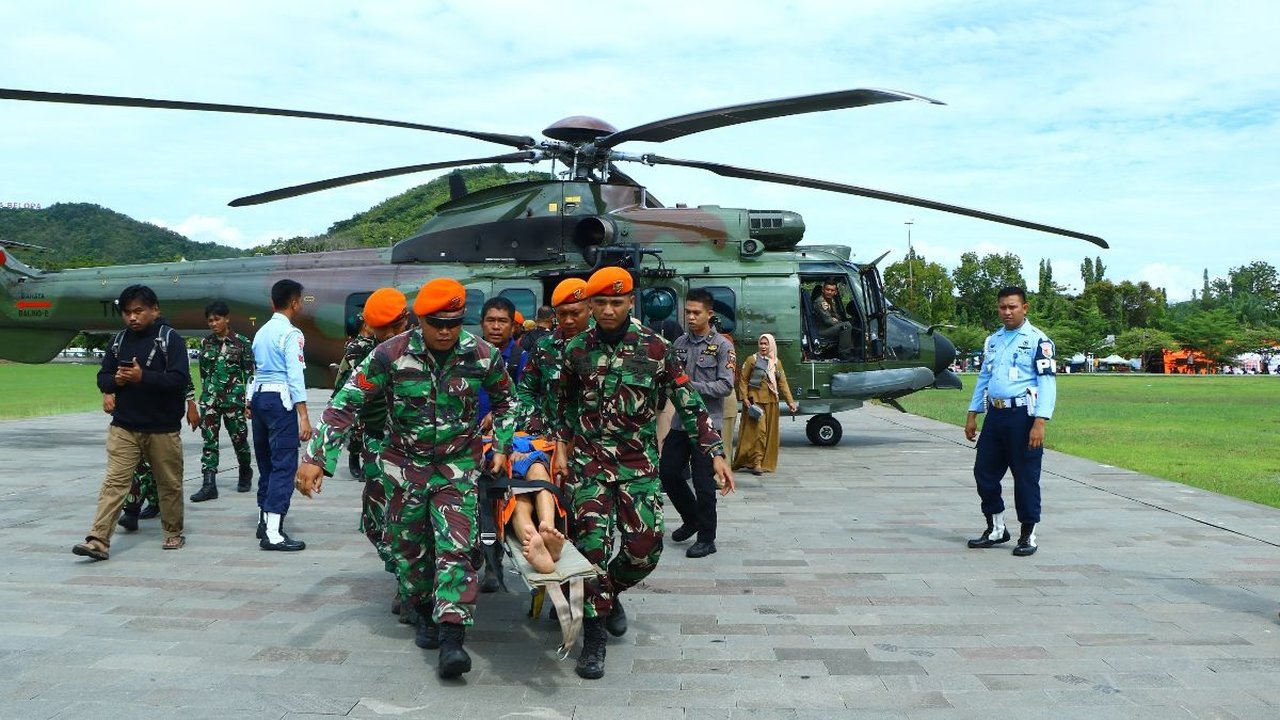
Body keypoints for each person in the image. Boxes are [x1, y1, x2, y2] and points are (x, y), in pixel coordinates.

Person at [296, 277, 515, 680]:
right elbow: (346, 401)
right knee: (410, 555)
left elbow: (506, 400)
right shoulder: (389, 355)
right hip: (404, 469)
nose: (446, 331)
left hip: (456, 469)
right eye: (437, 323)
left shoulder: (481, 354)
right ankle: (420, 607)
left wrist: (500, 444)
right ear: (419, 320)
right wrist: (316, 457)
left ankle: (453, 638)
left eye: (454, 321)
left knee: (456, 548)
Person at [551, 266, 734, 680]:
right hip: (589, 465)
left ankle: (607, 595)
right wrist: (562, 446)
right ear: (591, 305)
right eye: (601, 303)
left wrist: (716, 452)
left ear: (630, 302)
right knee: (592, 550)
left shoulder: (657, 348)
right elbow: (562, 404)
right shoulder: (575, 349)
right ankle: (594, 639)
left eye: (618, 302)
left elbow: (688, 400)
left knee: (645, 548)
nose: (609, 309)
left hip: (637, 465)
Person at [73, 285, 191, 560]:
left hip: (162, 427)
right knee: (115, 482)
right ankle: (98, 540)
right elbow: (102, 377)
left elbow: (179, 380)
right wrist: (116, 380)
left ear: (155, 310)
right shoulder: (119, 340)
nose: (132, 318)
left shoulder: (170, 339)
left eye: (138, 311)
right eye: (127, 313)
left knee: (168, 483)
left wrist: (143, 377)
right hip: (124, 426)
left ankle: (173, 531)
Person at [964, 286, 1057, 557]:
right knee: (984, 472)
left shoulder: (1039, 341)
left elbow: (1047, 383)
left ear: (1025, 308)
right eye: (1002, 307)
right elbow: (984, 377)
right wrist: (973, 413)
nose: (1007, 312)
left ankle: (1028, 533)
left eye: (1012, 307)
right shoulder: (993, 340)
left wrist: (1040, 420)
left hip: (1023, 416)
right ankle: (995, 527)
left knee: (1026, 477)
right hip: (995, 415)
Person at [342, 289, 412, 594]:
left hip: (415, 451)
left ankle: (410, 587)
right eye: (379, 330)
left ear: (405, 320)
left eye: (393, 329)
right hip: (375, 443)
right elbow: (342, 398)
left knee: (411, 521)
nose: (386, 337)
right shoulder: (361, 350)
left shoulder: (425, 349)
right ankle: (401, 571)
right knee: (373, 520)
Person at [660, 289, 735, 559]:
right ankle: (691, 518)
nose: (690, 317)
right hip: (681, 422)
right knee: (668, 473)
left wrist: (690, 388)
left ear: (709, 314)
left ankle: (707, 538)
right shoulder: (678, 343)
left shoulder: (723, 346)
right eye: (687, 312)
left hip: (708, 425)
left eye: (696, 313)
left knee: (704, 484)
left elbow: (726, 385)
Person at [249, 279, 313, 552]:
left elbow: (255, 370)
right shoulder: (291, 334)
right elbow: (295, 374)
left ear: (272, 302)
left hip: (259, 395)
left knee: (265, 462)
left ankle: (264, 520)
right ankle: (274, 533)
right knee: (284, 464)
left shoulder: (261, 332)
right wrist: (304, 415)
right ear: (295, 303)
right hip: (279, 399)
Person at [475, 295, 527, 592]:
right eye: (491, 321)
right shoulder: (468, 355)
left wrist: (498, 415)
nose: (496, 327)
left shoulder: (521, 359)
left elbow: (525, 398)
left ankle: (493, 565)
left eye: (502, 321)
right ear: (482, 324)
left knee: (491, 501)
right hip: (467, 443)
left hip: (505, 445)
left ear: (512, 325)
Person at [191, 300, 255, 501]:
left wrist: (249, 402)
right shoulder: (206, 343)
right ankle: (209, 484)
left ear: (227, 319)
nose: (213, 323)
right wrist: (204, 398)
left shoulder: (242, 343)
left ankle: (245, 470)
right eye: (209, 320)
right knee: (209, 441)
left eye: (217, 319)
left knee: (240, 440)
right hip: (210, 402)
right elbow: (203, 373)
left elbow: (250, 374)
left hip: (234, 402)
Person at [733, 333, 799, 475]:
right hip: (755, 403)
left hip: (771, 402)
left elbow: (782, 383)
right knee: (759, 432)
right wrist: (744, 397)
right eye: (761, 343)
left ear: (771, 345)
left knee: (768, 434)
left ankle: (762, 461)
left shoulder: (776, 362)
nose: (763, 346)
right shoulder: (752, 360)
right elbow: (743, 380)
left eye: (766, 343)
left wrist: (790, 402)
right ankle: (756, 463)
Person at [333, 319, 376, 480]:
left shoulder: (375, 343)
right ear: (365, 326)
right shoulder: (356, 347)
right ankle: (354, 457)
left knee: (370, 431)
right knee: (358, 431)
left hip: (373, 393)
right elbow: (345, 373)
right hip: (358, 393)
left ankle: (368, 465)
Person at [813, 278, 857, 360]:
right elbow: (828, 320)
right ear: (823, 290)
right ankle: (844, 354)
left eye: (832, 290)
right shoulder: (820, 301)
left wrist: (842, 321)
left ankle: (853, 350)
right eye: (827, 289)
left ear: (835, 292)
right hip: (822, 330)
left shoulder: (831, 301)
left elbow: (836, 316)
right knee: (846, 326)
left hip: (828, 328)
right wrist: (841, 323)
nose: (829, 292)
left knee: (853, 322)